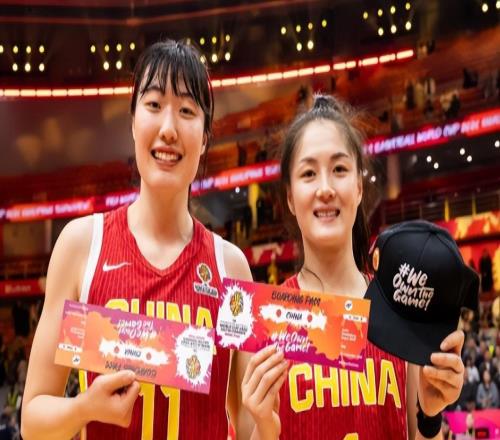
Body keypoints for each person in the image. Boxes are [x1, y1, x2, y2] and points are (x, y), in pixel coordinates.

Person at [21, 39, 252, 440]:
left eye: (186, 110)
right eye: (154, 104)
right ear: (132, 122)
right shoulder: (82, 246)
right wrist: (85, 407)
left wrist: (267, 418)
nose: (168, 129)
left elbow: (246, 422)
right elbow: (32, 420)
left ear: (205, 137)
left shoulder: (231, 268)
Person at [231, 95, 466, 439]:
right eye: (308, 173)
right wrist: (265, 428)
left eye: (339, 169)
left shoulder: (399, 311)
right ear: (290, 197)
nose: (326, 189)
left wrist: (430, 418)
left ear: (358, 187)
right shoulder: (262, 321)